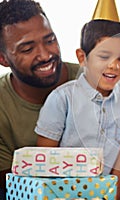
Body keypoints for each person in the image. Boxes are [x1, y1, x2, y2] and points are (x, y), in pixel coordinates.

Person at [35, 19, 120, 200]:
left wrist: (114, 196)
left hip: (105, 193)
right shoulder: (62, 98)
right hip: (62, 193)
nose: (114, 65)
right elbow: (44, 159)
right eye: (104, 56)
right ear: (82, 57)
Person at [0, 0, 79, 198]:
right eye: (27, 49)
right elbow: (12, 188)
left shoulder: (95, 82)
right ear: (3, 59)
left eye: (50, 40)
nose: (45, 55)